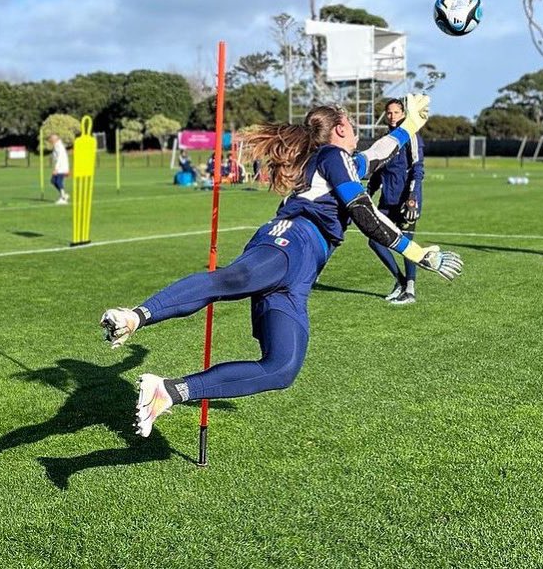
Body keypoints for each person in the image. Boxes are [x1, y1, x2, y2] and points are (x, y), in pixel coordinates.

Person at [99, 95, 463, 438]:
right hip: (292, 240)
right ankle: (136, 316)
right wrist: (418, 253)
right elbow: (362, 212)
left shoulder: (342, 162)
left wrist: (411, 125)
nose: (357, 131)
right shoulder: (332, 157)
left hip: (302, 271)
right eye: (351, 125)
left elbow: (382, 151)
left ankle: (168, 391)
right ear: (339, 129)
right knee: (233, 279)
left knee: (281, 367)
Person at [366, 98, 425, 305]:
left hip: (407, 201)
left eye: (396, 113)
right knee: (375, 241)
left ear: (403, 114)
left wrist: (412, 197)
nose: (392, 116)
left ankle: (410, 289)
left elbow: (418, 168)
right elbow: (376, 172)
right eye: (388, 113)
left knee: (406, 243)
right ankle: (400, 281)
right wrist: (367, 193)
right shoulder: (385, 140)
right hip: (386, 200)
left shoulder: (411, 136)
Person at [48, 133, 70, 204]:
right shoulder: (56, 146)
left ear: (55, 139)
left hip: (61, 167)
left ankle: (63, 198)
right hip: (59, 166)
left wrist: (56, 169)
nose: (50, 140)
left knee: (58, 181)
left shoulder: (59, 146)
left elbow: (60, 158)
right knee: (53, 181)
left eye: (51, 139)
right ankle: (64, 195)